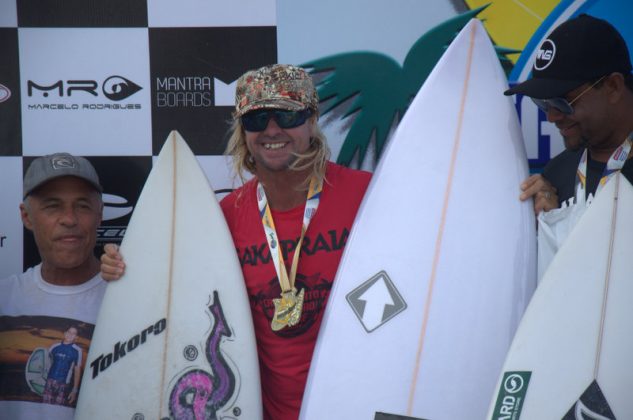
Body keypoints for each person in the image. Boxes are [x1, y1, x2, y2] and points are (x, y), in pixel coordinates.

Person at [101, 64, 371, 419]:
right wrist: (123, 267)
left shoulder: (366, 194)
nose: (272, 130)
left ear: (311, 119)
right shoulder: (224, 216)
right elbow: (173, 290)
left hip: (359, 405)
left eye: (287, 114)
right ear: (243, 131)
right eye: (256, 119)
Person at [0, 153, 106, 420]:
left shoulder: (133, 302)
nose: (69, 219)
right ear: (26, 216)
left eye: (82, 206)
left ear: (100, 214)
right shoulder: (4, 300)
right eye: (52, 206)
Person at [508, 14, 633, 213]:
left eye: (562, 101)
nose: (552, 116)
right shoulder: (554, 177)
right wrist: (553, 224)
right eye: (544, 103)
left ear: (613, 86)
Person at [42, 326, 82, 406]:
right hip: (49, 382)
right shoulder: (54, 346)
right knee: (45, 409)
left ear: (76, 337)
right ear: (65, 333)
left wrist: (74, 390)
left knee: (58, 413)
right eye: (69, 332)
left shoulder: (77, 350)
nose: (70, 335)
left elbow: (77, 371)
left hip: (64, 384)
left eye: (73, 334)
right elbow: (46, 363)